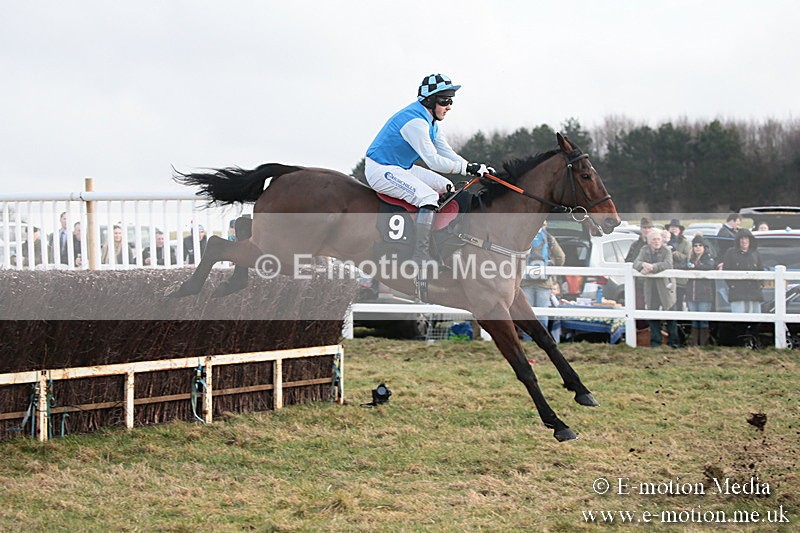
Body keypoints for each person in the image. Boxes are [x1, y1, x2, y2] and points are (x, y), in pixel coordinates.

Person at [364, 73, 494, 268]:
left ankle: (439, 240)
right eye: (444, 100)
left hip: (402, 167)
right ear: (430, 100)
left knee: (447, 186)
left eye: (451, 100)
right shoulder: (415, 123)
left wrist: (475, 168)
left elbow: (447, 153)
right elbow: (433, 161)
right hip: (381, 169)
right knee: (428, 198)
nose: (449, 106)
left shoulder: (430, 121)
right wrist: (466, 168)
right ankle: (420, 255)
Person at [633, 230, 679, 348]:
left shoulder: (666, 250)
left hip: (665, 287)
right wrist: (643, 265)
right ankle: (655, 342)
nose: (656, 242)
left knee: (670, 315)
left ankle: (673, 343)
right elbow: (636, 263)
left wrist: (652, 267)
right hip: (651, 287)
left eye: (658, 239)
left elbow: (668, 264)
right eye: (653, 239)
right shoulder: (644, 250)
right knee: (652, 315)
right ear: (648, 241)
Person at [520, 221, 565, 341]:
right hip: (544, 283)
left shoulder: (524, 237)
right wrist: (550, 268)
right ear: (544, 226)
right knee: (542, 313)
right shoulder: (549, 238)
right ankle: (543, 340)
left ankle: (528, 340)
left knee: (527, 314)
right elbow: (561, 257)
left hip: (525, 281)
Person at [722, 228, 764, 314]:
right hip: (737, 292)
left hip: (754, 292)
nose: (744, 241)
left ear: (750, 240)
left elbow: (761, 269)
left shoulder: (755, 253)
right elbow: (726, 270)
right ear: (738, 240)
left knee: (754, 319)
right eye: (742, 238)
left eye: (746, 238)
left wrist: (760, 284)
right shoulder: (730, 253)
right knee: (739, 319)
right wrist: (732, 285)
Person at [686, 234, 716, 346]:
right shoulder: (689, 258)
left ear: (704, 247)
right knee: (694, 320)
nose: (698, 247)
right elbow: (682, 265)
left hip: (704, 294)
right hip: (691, 294)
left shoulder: (708, 258)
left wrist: (694, 267)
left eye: (700, 245)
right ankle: (694, 344)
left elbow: (709, 266)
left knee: (703, 320)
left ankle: (704, 344)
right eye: (695, 245)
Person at [665, 218, 691, 311]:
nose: (674, 229)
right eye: (672, 227)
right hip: (666, 279)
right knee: (667, 303)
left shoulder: (686, 243)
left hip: (680, 280)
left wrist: (674, 252)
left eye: (676, 227)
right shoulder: (664, 241)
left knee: (678, 303)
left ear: (680, 230)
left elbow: (686, 258)